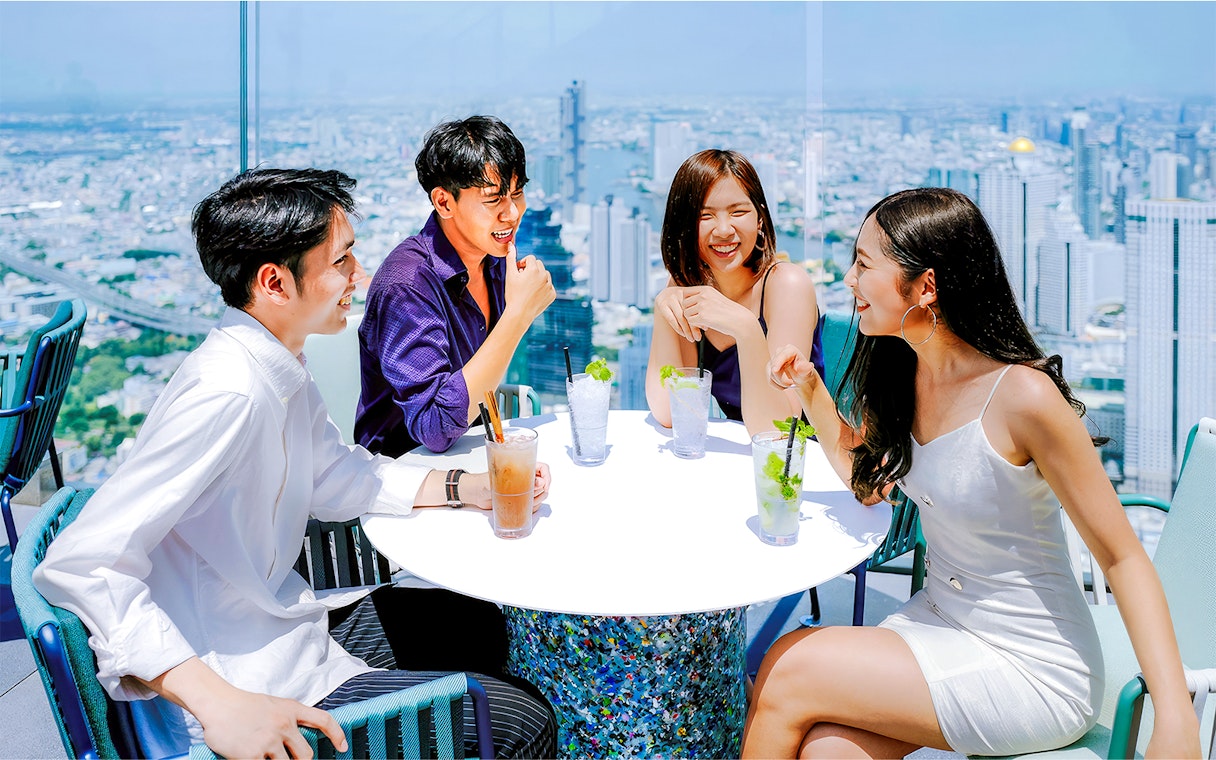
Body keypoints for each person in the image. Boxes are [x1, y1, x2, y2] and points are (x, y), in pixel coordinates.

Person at [34, 168, 556, 759]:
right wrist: (217, 703)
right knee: (522, 718)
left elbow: (334, 475)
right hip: (242, 684)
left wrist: (465, 486)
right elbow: (82, 562)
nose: (359, 276)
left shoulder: (276, 363)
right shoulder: (228, 393)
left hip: (280, 629)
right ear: (274, 283)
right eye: (342, 261)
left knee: (475, 622)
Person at [747, 187, 1199, 758]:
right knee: (828, 749)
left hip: (1033, 665)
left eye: (863, 265)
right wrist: (810, 387)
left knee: (789, 666)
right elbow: (866, 480)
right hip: (938, 622)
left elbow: (1122, 558)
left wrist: (1174, 713)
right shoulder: (908, 374)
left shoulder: (1023, 398)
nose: (849, 281)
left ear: (925, 287)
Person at [357, 115, 555, 456]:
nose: (512, 213)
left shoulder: (495, 261)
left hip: (472, 455)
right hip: (400, 479)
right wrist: (518, 316)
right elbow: (434, 429)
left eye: (517, 193)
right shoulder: (407, 284)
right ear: (444, 202)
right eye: (494, 200)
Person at [645, 149, 823, 436]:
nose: (724, 230)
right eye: (705, 216)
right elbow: (670, 412)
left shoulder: (786, 284)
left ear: (760, 219)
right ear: (684, 226)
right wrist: (662, 307)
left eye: (739, 212)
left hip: (802, 462)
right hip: (739, 459)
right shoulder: (689, 286)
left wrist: (746, 329)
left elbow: (779, 428)